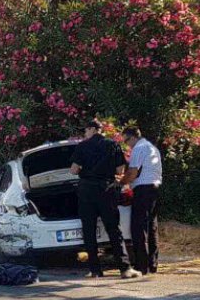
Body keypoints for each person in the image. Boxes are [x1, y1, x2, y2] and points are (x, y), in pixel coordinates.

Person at [69, 119, 141, 279]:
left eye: (85, 131)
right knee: (114, 229)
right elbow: (120, 169)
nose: (84, 134)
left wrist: (84, 168)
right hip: (106, 189)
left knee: (89, 230)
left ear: (91, 129)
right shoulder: (112, 144)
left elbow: (74, 170)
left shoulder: (82, 146)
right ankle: (125, 268)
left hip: (87, 191)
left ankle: (95, 271)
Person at [119, 126, 163, 275]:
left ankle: (141, 266)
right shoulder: (152, 148)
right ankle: (153, 264)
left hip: (143, 189)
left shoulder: (139, 148)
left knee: (138, 228)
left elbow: (132, 172)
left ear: (132, 137)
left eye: (126, 141)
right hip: (154, 188)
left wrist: (120, 182)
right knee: (151, 227)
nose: (127, 145)